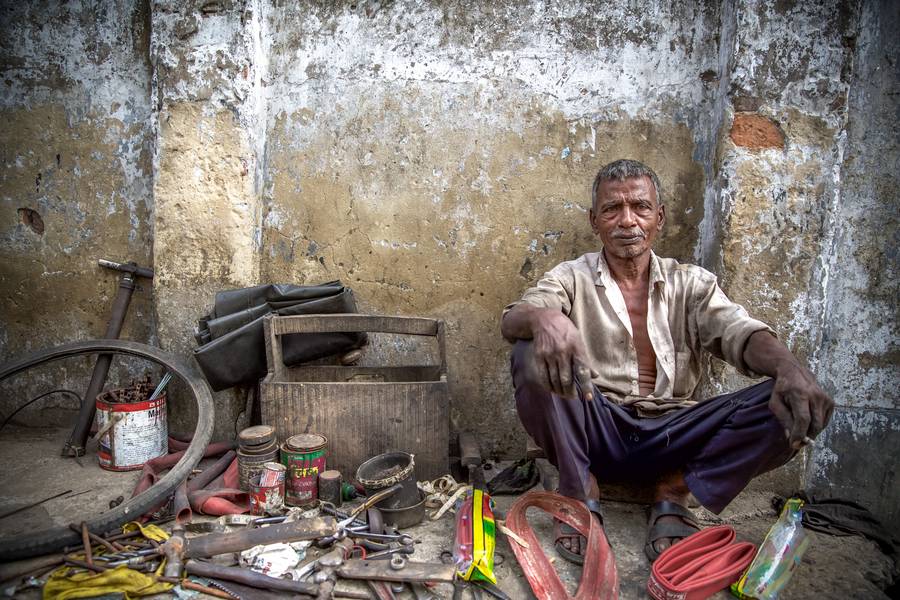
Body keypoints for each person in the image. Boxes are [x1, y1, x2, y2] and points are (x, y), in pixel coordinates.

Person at [500, 159, 833, 563]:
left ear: (659, 217)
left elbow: (739, 333)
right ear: (594, 221)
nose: (627, 221)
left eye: (640, 207)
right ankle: (577, 489)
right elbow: (515, 316)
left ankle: (675, 491)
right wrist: (545, 318)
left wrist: (789, 368)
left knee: (788, 400)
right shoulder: (572, 277)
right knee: (528, 350)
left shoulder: (691, 283)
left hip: (675, 432)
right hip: (595, 425)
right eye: (611, 209)